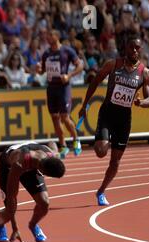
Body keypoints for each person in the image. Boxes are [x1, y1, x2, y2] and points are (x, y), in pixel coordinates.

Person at [78, 32, 149, 206]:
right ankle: (104, 138)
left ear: (140, 50)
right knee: (101, 151)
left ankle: (101, 191)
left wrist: (141, 102)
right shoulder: (113, 64)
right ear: (125, 48)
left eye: (137, 48)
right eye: (131, 47)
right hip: (107, 114)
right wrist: (84, 105)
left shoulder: (145, 73)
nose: (134, 50)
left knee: (115, 161)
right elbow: (95, 81)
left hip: (124, 120)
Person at [0, 141, 65, 242]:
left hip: (32, 163)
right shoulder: (18, 163)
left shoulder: (52, 155)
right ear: (41, 169)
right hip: (9, 165)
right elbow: (12, 196)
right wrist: (15, 228)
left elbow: (52, 142)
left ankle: (33, 225)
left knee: (44, 203)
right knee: (10, 209)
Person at [37, 29, 84, 158]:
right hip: (51, 88)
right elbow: (42, 72)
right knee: (55, 118)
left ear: (57, 36)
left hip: (64, 87)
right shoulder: (46, 53)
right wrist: (39, 69)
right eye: (47, 36)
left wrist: (69, 76)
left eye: (50, 35)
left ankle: (76, 140)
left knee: (64, 117)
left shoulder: (67, 50)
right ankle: (63, 145)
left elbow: (80, 65)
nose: (47, 38)